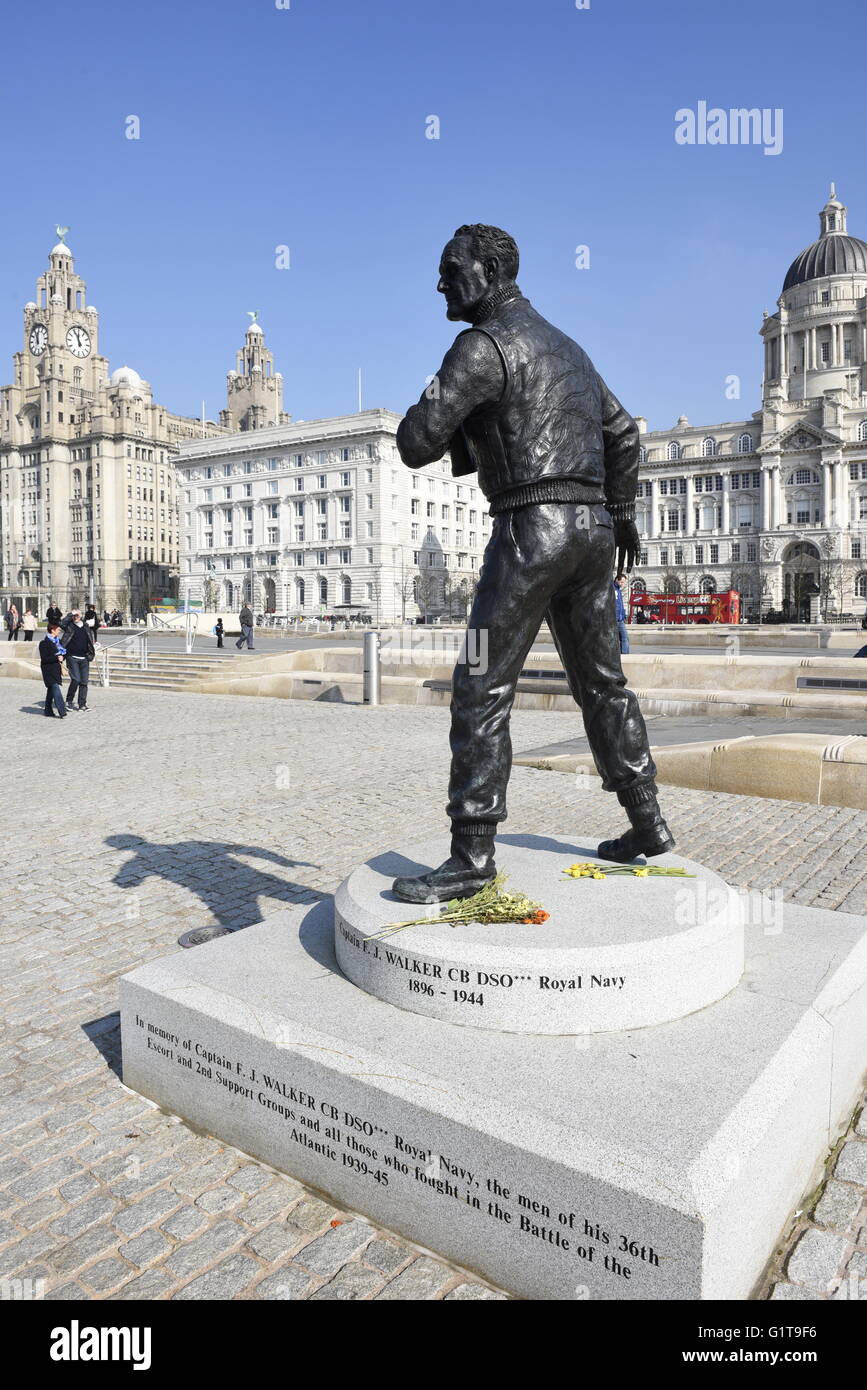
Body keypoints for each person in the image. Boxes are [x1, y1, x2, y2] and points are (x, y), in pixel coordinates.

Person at [390, 223, 671, 904]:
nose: (440, 283)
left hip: (528, 530)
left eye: (449, 269)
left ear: (486, 272)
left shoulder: (479, 347)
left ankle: (471, 854)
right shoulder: (567, 348)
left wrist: (452, 397)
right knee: (603, 684)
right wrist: (623, 511)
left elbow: (413, 442)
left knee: (481, 687)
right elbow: (624, 432)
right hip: (593, 534)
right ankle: (647, 822)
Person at [63, 609, 95, 711]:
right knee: (76, 679)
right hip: (72, 657)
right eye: (74, 616)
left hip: (84, 658)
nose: (75, 617)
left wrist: (91, 652)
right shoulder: (69, 626)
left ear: (81, 616)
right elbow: (61, 623)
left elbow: (90, 639)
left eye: (77, 615)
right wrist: (70, 614)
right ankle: (69, 701)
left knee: (84, 682)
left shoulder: (85, 626)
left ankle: (82, 704)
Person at [39, 621, 68, 718]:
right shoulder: (43, 643)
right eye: (58, 629)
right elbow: (44, 658)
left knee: (51, 690)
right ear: (52, 630)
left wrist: (62, 657)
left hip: (56, 669)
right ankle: (62, 710)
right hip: (48, 670)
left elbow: (63, 654)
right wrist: (57, 657)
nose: (59, 631)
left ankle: (48, 710)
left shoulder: (58, 642)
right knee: (55, 687)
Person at [613, 574, 630, 653]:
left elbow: (620, 604)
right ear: (617, 580)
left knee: (625, 637)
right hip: (614, 619)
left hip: (620, 619)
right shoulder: (612, 589)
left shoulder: (618, 590)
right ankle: (623, 655)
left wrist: (623, 615)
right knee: (620, 638)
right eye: (622, 582)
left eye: (624, 582)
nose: (623, 584)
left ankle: (624, 655)